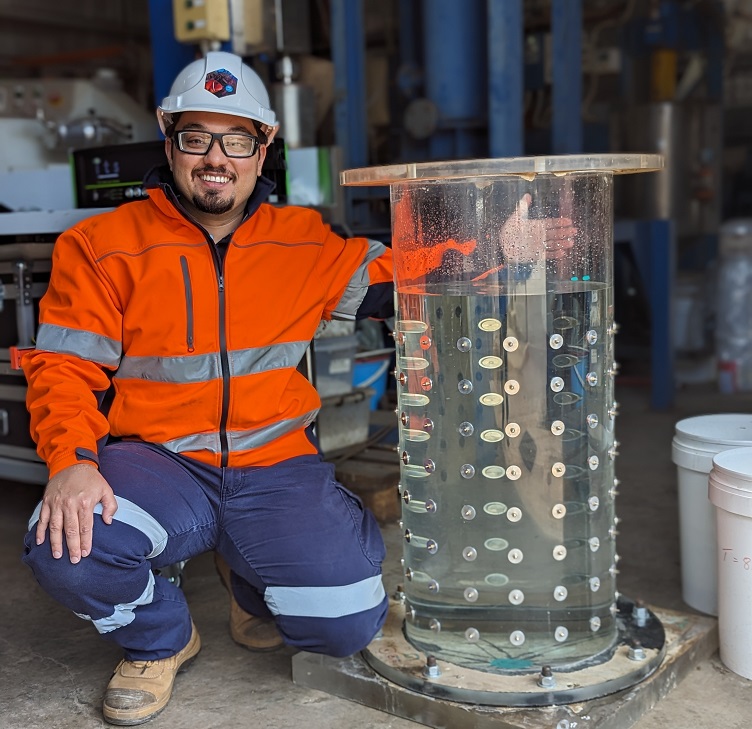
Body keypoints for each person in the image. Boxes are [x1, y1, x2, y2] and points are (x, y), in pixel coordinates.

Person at [21, 51, 394, 726]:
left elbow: (409, 273)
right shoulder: (101, 245)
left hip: (273, 463)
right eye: (196, 137)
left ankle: (250, 581)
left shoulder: (305, 242)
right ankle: (160, 637)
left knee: (342, 624)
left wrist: (499, 248)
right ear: (169, 137)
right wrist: (71, 462)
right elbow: (64, 368)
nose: (215, 157)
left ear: (263, 148)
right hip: (157, 463)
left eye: (237, 139)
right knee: (64, 544)